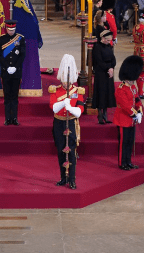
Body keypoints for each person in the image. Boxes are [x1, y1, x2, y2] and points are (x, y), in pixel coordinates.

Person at [49, 54, 84, 189]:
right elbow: (53, 107)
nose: (66, 83)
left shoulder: (78, 91)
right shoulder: (55, 90)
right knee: (60, 152)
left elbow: (80, 111)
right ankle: (63, 177)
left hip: (72, 123)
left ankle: (72, 179)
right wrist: (64, 103)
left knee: (72, 152)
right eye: (64, 80)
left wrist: (71, 108)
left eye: (67, 80)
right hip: (59, 123)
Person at [114, 55, 144, 170]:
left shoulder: (132, 88)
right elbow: (125, 106)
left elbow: (137, 100)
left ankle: (128, 161)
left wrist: (140, 111)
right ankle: (122, 162)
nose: (133, 82)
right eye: (132, 80)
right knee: (123, 143)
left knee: (130, 142)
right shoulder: (121, 89)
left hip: (131, 120)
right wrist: (135, 114)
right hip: (123, 119)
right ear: (126, 78)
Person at [0, 20, 26, 126]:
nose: (11, 32)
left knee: (14, 97)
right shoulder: (1, 39)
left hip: (16, 72)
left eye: (13, 30)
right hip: (5, 72)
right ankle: (7, 119)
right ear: (6, 29)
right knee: (7, 96)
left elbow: (22, 55)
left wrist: (15, 67)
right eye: (9, 30)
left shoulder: (20, 39)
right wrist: (6, 67)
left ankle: (14, 118)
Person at [92, 30, 116, 124]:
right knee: (100, 93)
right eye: (107, 40)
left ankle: (105, 114)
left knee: (107, 93)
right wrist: (108, 69)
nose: (108, 41)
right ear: (102, 38)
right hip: (101, 73)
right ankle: (100, 115)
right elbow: (99, 61)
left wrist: (112, 68)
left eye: (109, 40)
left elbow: (113, 58)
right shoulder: (97, 47)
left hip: (108, 73)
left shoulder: (109, 46)